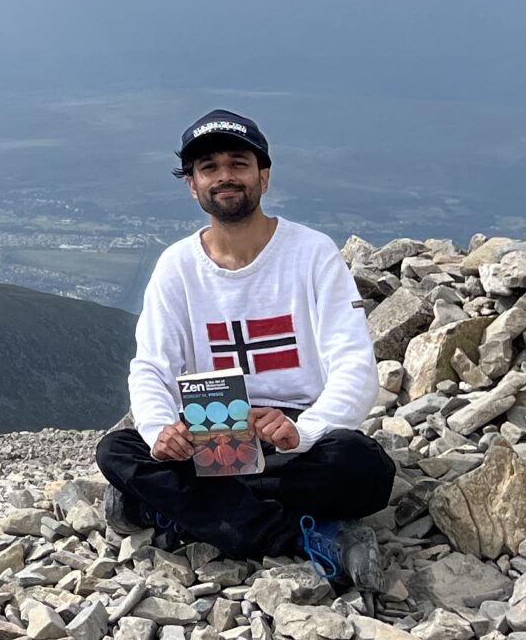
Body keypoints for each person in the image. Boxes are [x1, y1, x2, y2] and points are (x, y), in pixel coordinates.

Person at [95, 109, 395, 590]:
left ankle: (178, 511)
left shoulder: (311, 253)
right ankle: (302, 536)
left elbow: (355, 366)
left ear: (264, 176)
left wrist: (304, 430)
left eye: (239, 163)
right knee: (119, 450)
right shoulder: (178, 267)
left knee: (363, 466)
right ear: (192, 185)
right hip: (211, 434)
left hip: (296, 436)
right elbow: (151, 367)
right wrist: (158, 432)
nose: (225, 176)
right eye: (209, 167)